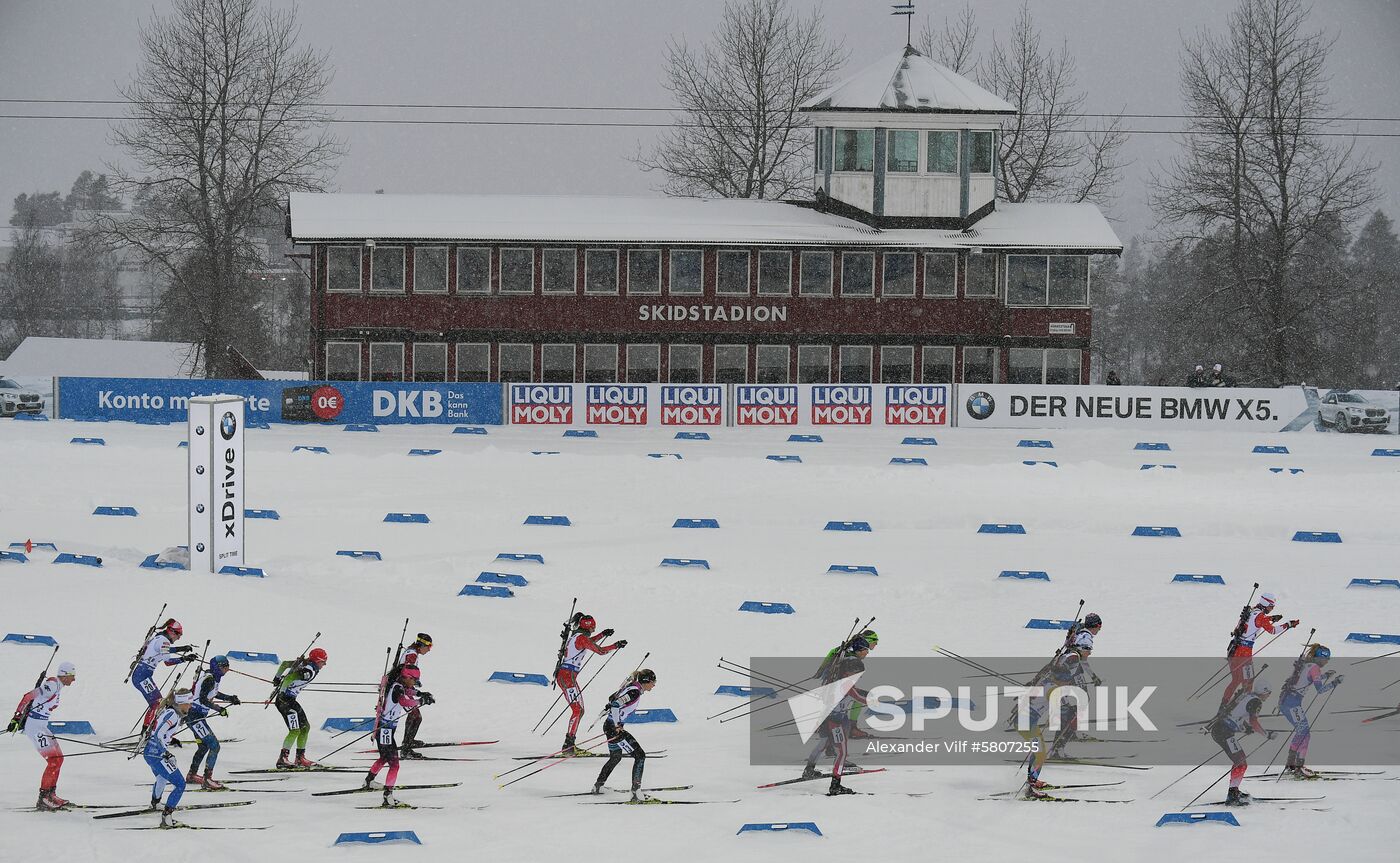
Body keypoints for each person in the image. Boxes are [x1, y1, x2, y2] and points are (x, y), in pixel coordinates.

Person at [1023, 641, 1095, 796]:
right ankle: (1032, 785)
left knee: (1039, 752)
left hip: (1027, 721)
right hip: (1026, 722)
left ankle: (1032, 781)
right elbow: (1063, 703)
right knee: (1040, 752)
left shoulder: (1048, 683)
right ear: (1060, 679)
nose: (1068, 682)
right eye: (1066, 680)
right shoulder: (1053, 689)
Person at [8, 661, 77, 810]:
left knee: (58, 759)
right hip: (35, 727)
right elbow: (28, 696)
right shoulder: (52, 685)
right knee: (53, 760)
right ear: (64, 675)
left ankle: (51, 794)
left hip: (41, 725)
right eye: (72, 676)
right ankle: (44, 798)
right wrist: (16, 717)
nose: (74, 679)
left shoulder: (58, 685)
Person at [554, 614, 626, 755]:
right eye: (593, 628)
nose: (594, 630)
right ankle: (568, 746)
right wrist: (616, 645)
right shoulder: (581, 638)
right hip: (567, 677)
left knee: (579, 710)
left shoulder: (577, 636)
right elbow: (599, 651)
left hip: (566, 676)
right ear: (589, 626)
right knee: (578, 710)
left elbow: (588, 642)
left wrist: (602, 634)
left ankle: (569, 744)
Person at [800, 653, 869, 797]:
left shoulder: (834, 680)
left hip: (825, 720)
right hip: (835, 723)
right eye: (857, 674)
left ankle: (809, 770)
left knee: (822, 744)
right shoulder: (846, 685)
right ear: (848, 672)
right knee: (842, 753)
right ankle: (835, 786)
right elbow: (859, 698)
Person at [364, 666, 433, 807]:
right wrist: (421, 701)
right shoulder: (397, 688)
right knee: (394, 765)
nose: (415, 682)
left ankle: (369, 781)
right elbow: (404, 702)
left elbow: (407, 692)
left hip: (386, 730)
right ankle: (387, 796)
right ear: (407, 677)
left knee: (384, 758)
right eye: (414, 680)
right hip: (386, 731)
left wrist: (419, 693)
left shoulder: (397, 684)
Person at [592, 669, 657, 802]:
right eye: (653, 682)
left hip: (609, 726)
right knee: (640, 756)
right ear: (646, 681)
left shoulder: (632, 688)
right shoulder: (634, 691)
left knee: (616, 757)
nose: (654, 684)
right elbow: (616, 704)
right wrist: (617, 725)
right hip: (614, 729)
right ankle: (635, 793)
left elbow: (612, 699)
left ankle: (598, 786)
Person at [1223, 592, 1299, 705]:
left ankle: (1223, 706)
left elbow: (1255, 621)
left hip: (1234, 648)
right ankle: (1243, 707)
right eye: (1271, 606)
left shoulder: (1251, 610)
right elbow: (1272, 631)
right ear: (1266, 603)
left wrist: (1271, 618)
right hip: (1244, 652)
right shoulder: (1261, 616)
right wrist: (1288, 624)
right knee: (1248, 681)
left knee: (1236, 680)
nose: (1272, 609)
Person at [1280, 644, 1342, 778]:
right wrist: (1335, 683)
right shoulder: (1315, 668)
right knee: (1305, 733)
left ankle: (1291, 765)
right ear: (1320, 658)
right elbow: (1320, 690)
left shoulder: (1307, 664)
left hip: (1287, 701)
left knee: (1302, 731)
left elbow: (1307, 679)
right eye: (1326, 659)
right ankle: (1298, 767)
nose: (1327, 662)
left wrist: (1325, 675)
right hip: (1292, 704)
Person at [1209, 679, 1275, 806]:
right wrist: (1267, 734)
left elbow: (1237, 713)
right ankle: (1232, 795)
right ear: (1264, 692)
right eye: (1269, 693)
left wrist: (1245, 727)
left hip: (1221, 729)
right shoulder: (1256, 702)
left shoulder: (1249, 696)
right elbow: (1254, 723)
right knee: (1241, 762)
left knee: (1240, 761)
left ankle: (1234, 791)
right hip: (1224, 732)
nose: (1268, 696)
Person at [131, 619, 198, 733]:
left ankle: (147, 731)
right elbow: (168, 661)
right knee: (157, 704)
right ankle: (147, 732)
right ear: (172, 632)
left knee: (157, 703)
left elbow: (165, 650)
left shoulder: (159, 638)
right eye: (179, 635)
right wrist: (184, 658)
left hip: (141, 674)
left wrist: (182, 648)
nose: (179, 638)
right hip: (143, 676)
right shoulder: (164, 641)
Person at [185, 655, 240, 790]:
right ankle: (207, 779)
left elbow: (213, 693)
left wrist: (230, 698)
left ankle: (192, 775)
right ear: (218, 667)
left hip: (195, 716)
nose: (227, 670)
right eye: (225, 667)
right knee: (214, 746)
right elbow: (203, 699)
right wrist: (219, 709)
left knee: (203, 747)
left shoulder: (211, 678)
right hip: (195, 717)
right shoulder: (209, 679)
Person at [145, 690, 195, 827]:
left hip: (150, 752)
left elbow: (160, 733)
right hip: (157, 754)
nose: (190, 706)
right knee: (180, 784)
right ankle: (166, 817)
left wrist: (171, 740)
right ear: (182, 703)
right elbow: (158, 735)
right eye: (189, 703)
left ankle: (155, 803)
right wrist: (166, 753)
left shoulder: (172, 712)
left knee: (162, 777)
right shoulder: (172, 715)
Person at [272, 647, 328, 769]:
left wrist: (277, 677)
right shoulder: (308, 671)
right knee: (295, 730)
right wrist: (281, 691)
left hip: (290, 700)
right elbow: (289, 678)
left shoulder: (305, 663)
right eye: (323, 662)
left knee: (305, 727)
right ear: (317, 661)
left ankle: (300, 758)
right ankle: (282, 759)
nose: (324, 665)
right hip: (284, 701)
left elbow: (285, 664)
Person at [396, 633, 432, 757]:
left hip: (404, 687)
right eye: (429, 646)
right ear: (422, 644)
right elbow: (407, 670)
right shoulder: (412, 654)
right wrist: (415, 681)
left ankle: (408, 742)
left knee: (415, 716)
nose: (429, 650)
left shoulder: (412, 652)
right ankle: (406, 749)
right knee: (416, 716)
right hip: (401, 688)